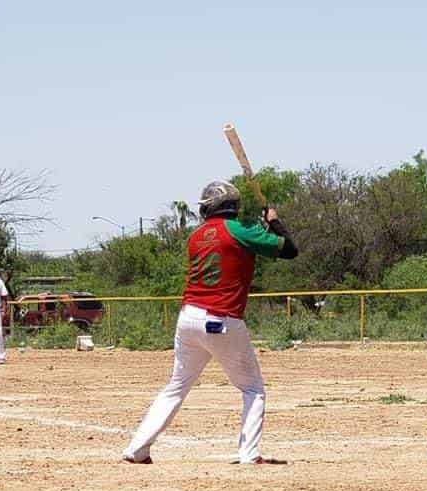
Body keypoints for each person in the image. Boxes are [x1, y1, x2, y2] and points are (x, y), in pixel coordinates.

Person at [123, 180, 299, 464]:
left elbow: (233, 251)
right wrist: (274, 223)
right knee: (253, 389)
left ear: (209, 207)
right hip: (222, 319)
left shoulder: (195, 236)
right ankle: (249, 453)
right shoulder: (239, 231)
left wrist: (263, 229)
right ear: (233, 205)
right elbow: (290, 250)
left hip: (188, 318)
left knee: (176, 386)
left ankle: (137, 449)